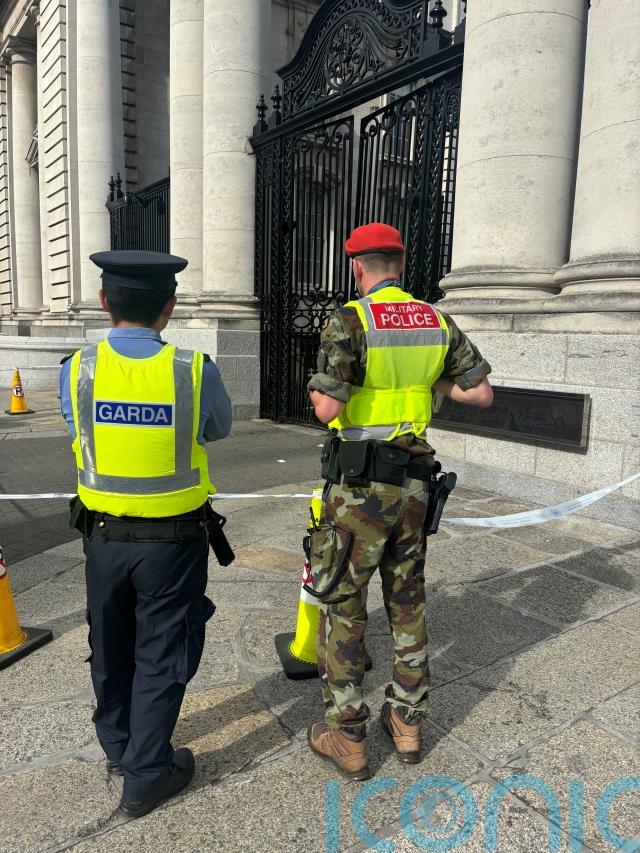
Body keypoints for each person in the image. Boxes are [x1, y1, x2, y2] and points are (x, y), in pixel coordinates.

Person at [306, 223, 493, 780]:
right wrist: (427, 386)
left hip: (358, 492)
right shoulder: (436, 320)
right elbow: (480, 393)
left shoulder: (350, 320)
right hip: (414, 487)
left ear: (357, 267)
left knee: (344, 603)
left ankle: (348, 735)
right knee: (407, 600)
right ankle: (408, 723)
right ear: (401, 265)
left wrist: (322, 386)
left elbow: (327, 409)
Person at [59, 250, 232, 817]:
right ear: (170, 306)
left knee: (109, 643)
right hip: (172, 544)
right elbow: (218, 429)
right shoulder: (193, 370)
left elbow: (76, 426)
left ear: (103, 301)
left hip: (102, 540)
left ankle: (120, 748)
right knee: (162, 650)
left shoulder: (77, 369)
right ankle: (147, 774)